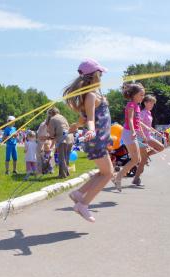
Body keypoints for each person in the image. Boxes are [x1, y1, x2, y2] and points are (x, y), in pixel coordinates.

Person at [65, 59, 113, 222]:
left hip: (99, 139)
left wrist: (75, 125)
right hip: (96, 140)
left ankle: (78, 194)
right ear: (94, 76)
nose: (102, 76)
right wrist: (91, 130)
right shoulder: (91, 95)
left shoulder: (94, 93)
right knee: (108, 173)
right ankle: (83, 205)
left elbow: (83, 118)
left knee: (102, 172)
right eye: (100, 73)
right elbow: (91, 119)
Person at [112, 83, 146, 189]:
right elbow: (130, 120)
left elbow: (137, 122)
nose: (143, 97)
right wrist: (132, 131)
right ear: (134, 95)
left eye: (143, 95)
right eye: (141, 94)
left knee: (137, 159)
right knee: (136, 159)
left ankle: (118, 177)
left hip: (132, 132)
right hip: (128, 133)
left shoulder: (137, 106)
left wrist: (143, 135)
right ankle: (118, 177)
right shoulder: (131, 105)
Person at [133, 94, 165, 186]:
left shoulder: (148, 113)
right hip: (142, 137)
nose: (152, 105)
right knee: (143, 161)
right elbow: (138, 124)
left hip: (149, 136)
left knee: (161, 147)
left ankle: (146, 156)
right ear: (145, 103)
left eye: (153, 103)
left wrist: (157, 132)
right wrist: (142, 135)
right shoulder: (142, 112)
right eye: (150, 103)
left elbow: (149, 126)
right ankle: (136, 178)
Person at [47, 107, 74, 179]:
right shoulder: (63, 117)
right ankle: (66, 173)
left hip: (62, 139)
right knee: (66, 157)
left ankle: (63, 175)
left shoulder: (53, 119)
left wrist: (51, 137)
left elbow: (51, 132)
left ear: (51, 113)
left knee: (61, 157)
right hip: (70, 138)